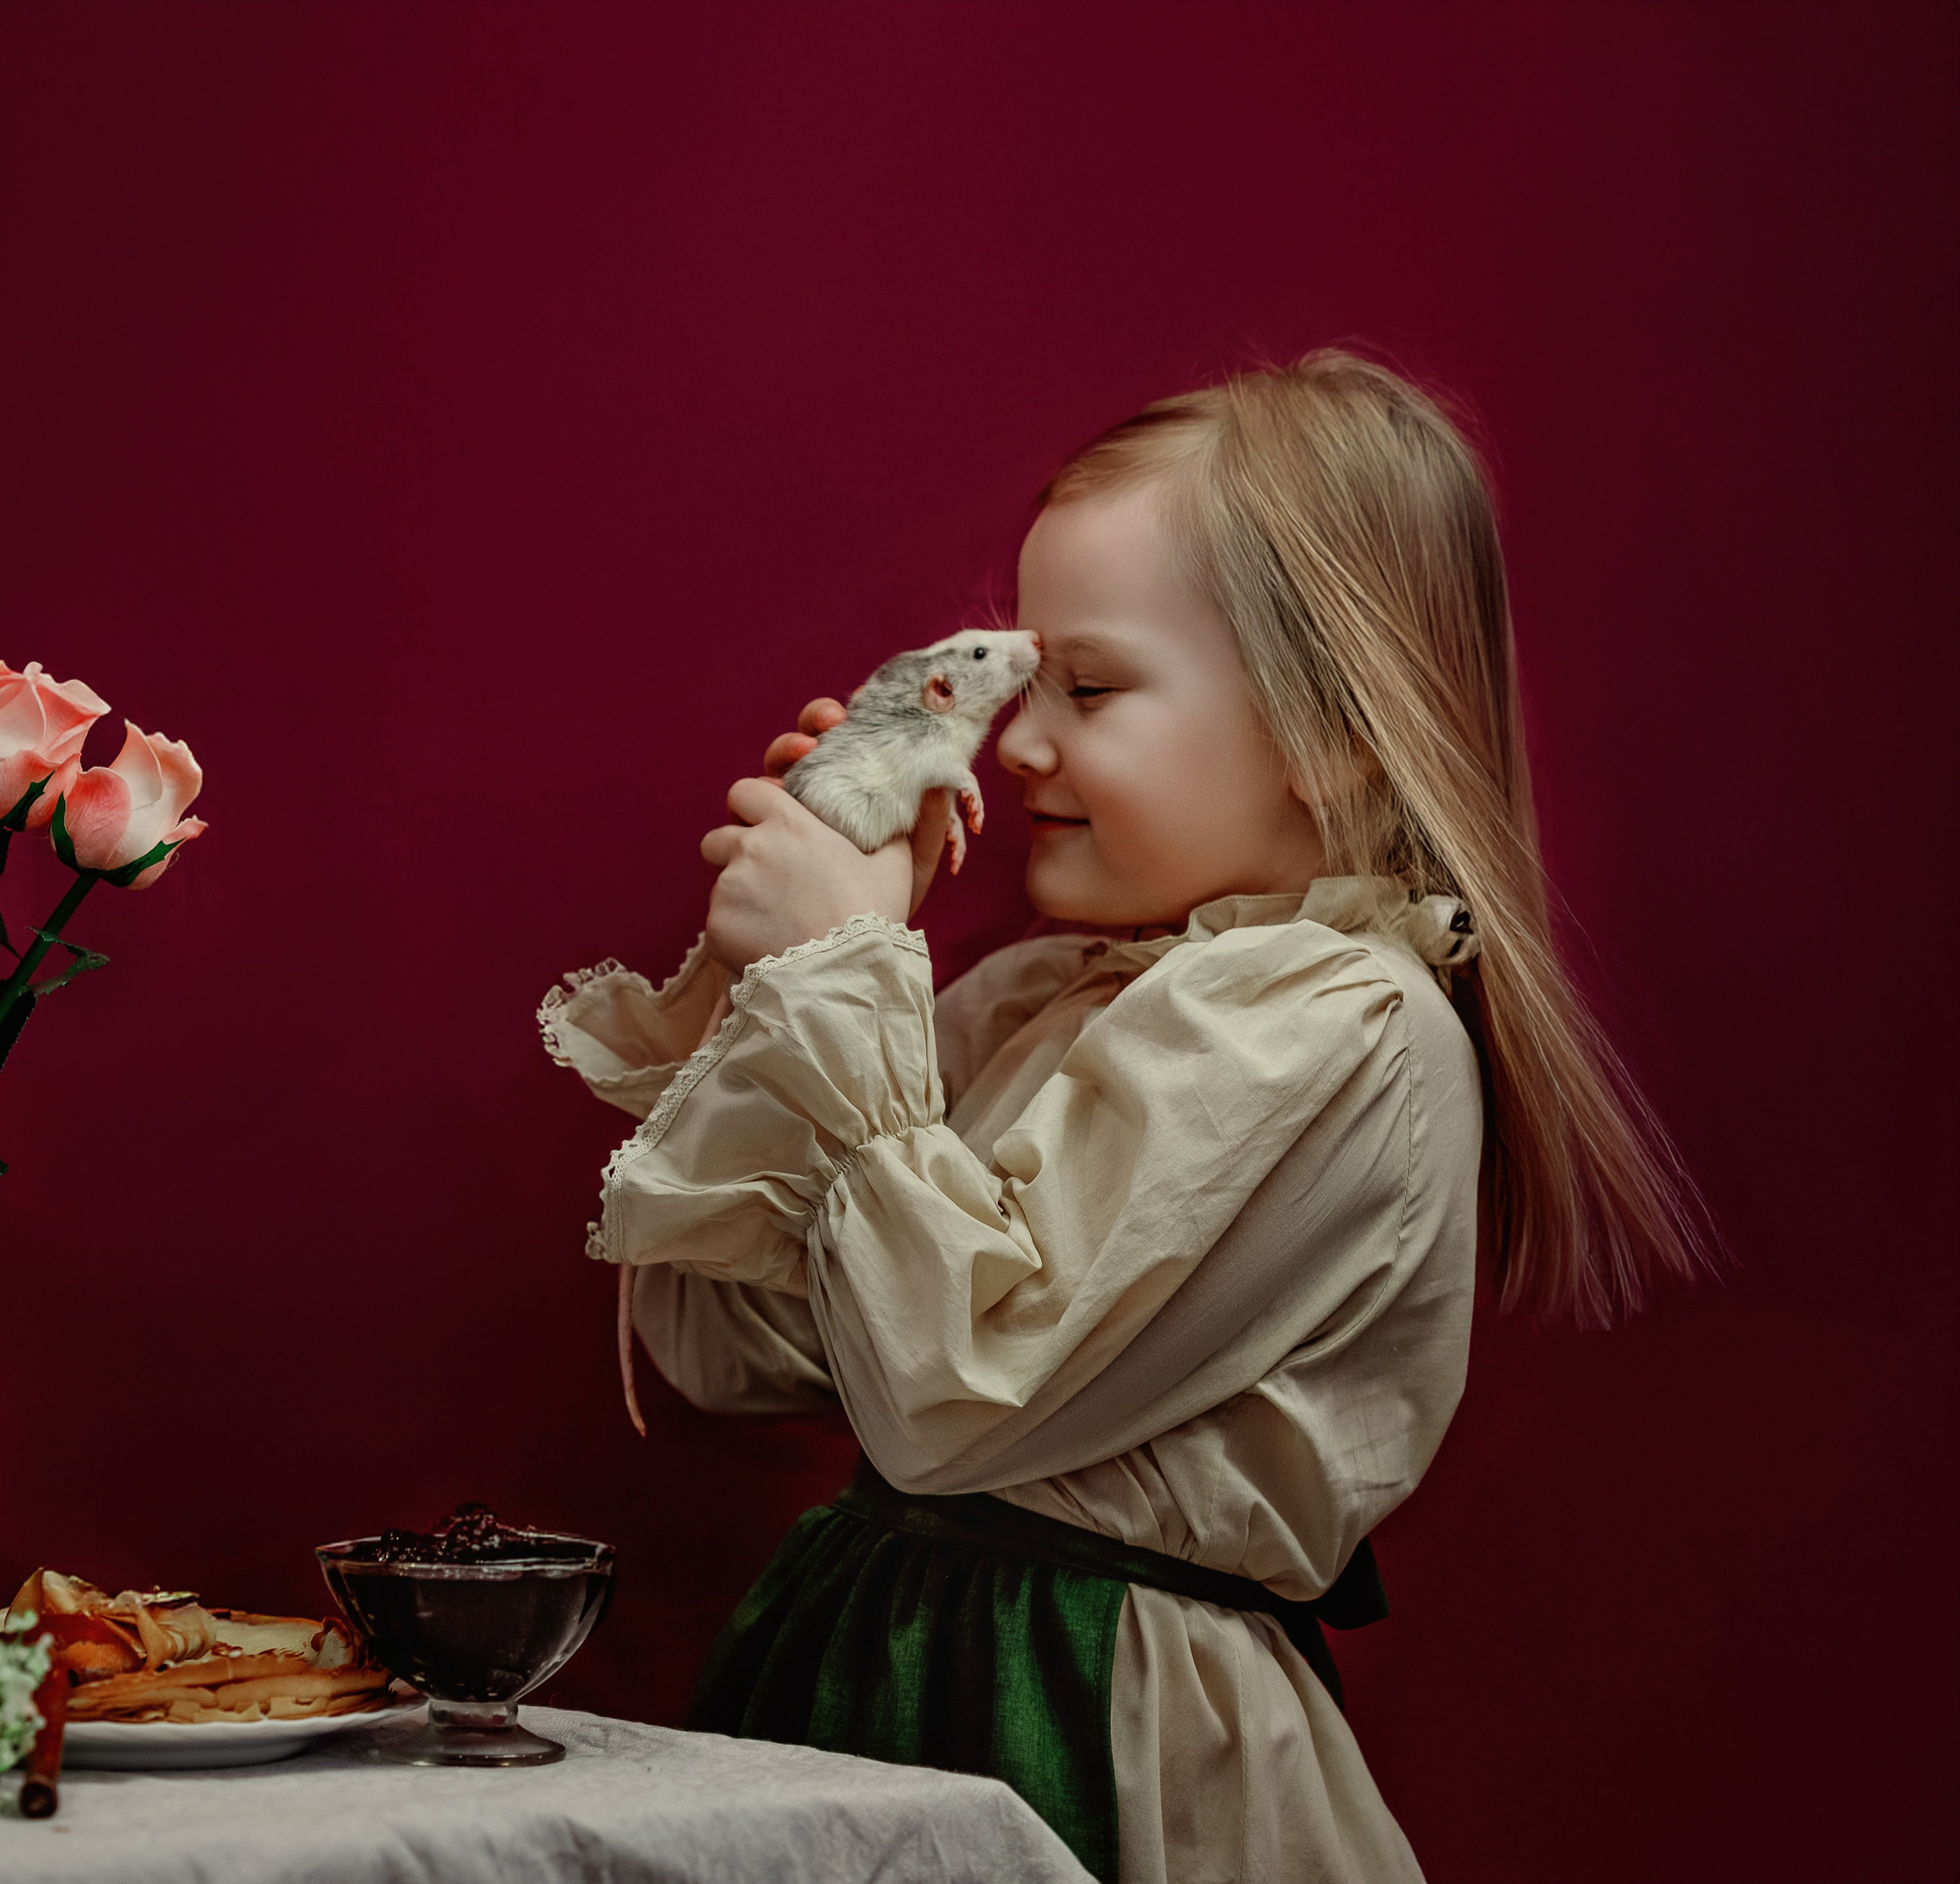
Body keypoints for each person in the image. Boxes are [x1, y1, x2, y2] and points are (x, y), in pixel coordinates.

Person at [539, 351, 1706, 1884]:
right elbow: (733, 1351)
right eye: (1026, 689)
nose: (1018, 744)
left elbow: (955, 1398)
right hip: (867, 1675)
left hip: (1094, 1737)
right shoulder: (1031, 999)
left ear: (1337, 726)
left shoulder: (1342, 1025)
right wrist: (780, 987)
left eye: (1087, 689)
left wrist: (844, 975)